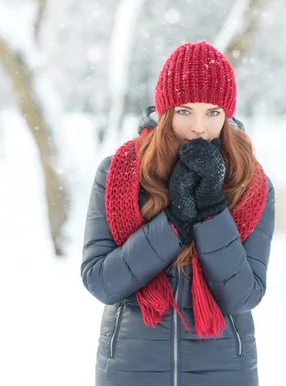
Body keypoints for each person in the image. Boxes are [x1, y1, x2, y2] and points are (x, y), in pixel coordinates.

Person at [80, 40, 275, 386]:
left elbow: (243, 294)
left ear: (226, 115)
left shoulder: (250, 183)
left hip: (223, 370)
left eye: (212, 112)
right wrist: (174, 223)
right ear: (164, 111)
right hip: (131, 368)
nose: (199, 127)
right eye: (185, 111)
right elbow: (102, 281)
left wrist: (212, 210)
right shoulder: (119, 174)